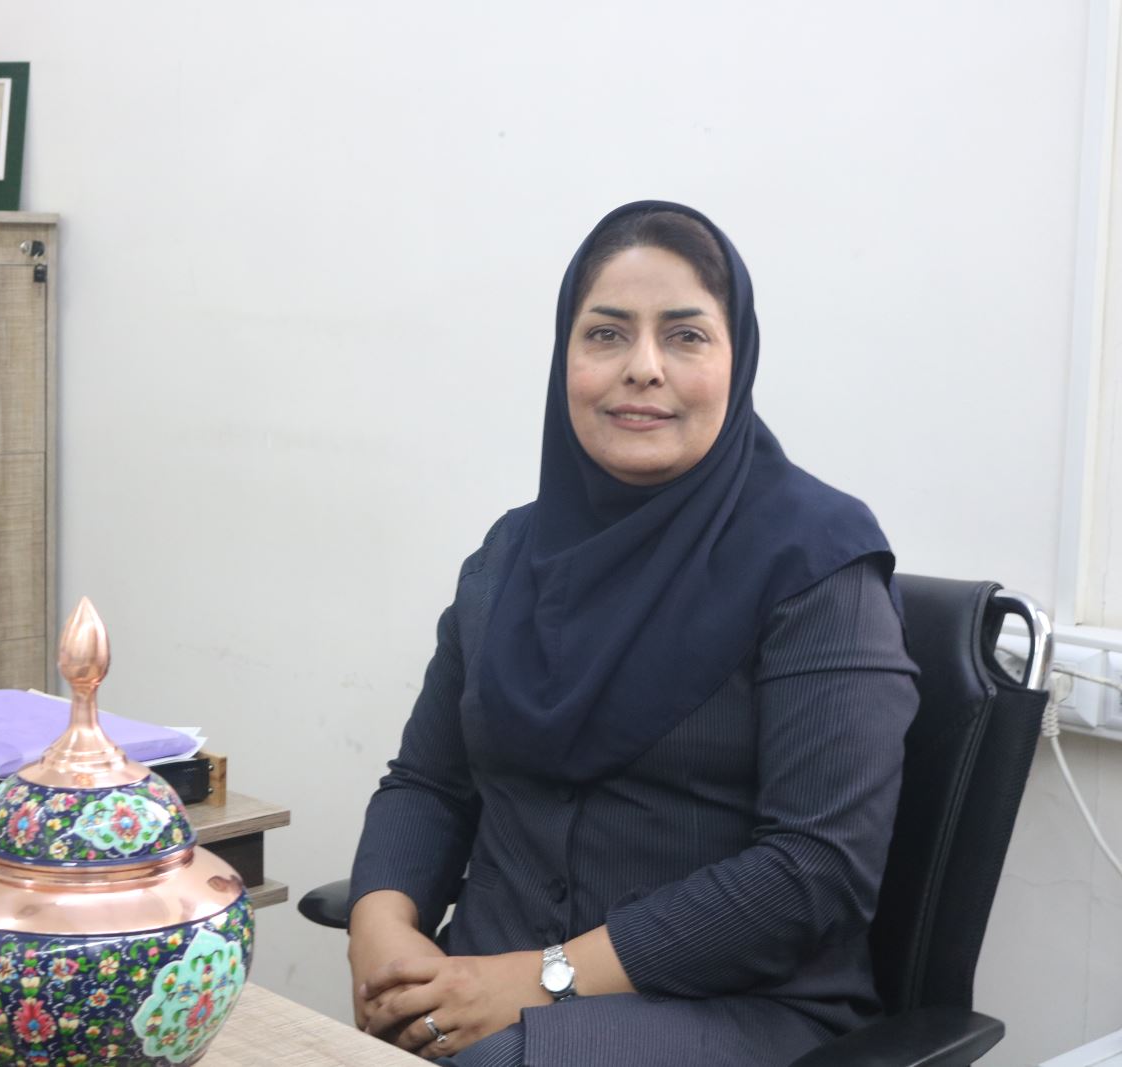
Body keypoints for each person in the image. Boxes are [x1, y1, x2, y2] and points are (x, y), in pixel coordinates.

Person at [346, 201, 920, 1067]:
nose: (642, 368)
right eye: (606, 334)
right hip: (481, 986)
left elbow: (814, 868)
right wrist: (382, 929)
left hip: (729, 1007)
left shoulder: (817, 562)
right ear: (565, 358)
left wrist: (539, 978)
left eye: (685, 336)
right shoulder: (511, 556)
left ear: (736, 358)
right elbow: (429, 782)